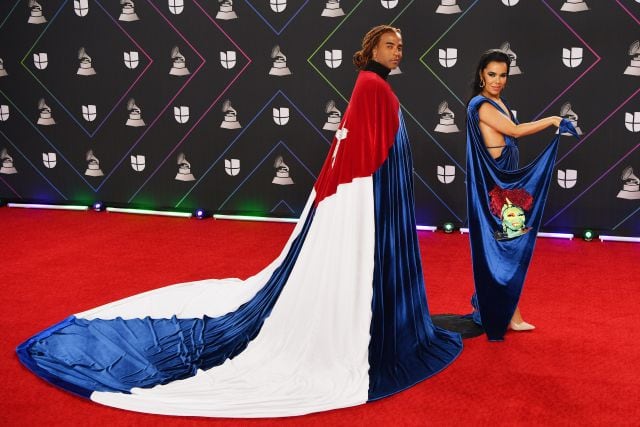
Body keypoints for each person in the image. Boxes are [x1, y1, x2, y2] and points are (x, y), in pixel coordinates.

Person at [17, 25, 462, 418]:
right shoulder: (371, 86)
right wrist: (359, 200)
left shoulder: (373, 86)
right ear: (372, 50)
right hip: (370, 195)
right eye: (389, 45)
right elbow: (359, 151)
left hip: (376, 195)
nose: (397, 51)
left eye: (401, 45)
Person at [465, 49, 577, 341]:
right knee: (507, 245)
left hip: (506, 177)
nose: (498, 80)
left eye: (503, 75)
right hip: (497, 182)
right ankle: (504, 312)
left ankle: (494, 305)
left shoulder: (498, 101)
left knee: (507, 244)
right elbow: (514, 130)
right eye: (492, 74)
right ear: (481, 74)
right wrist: (553, 120)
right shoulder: (482, 105)